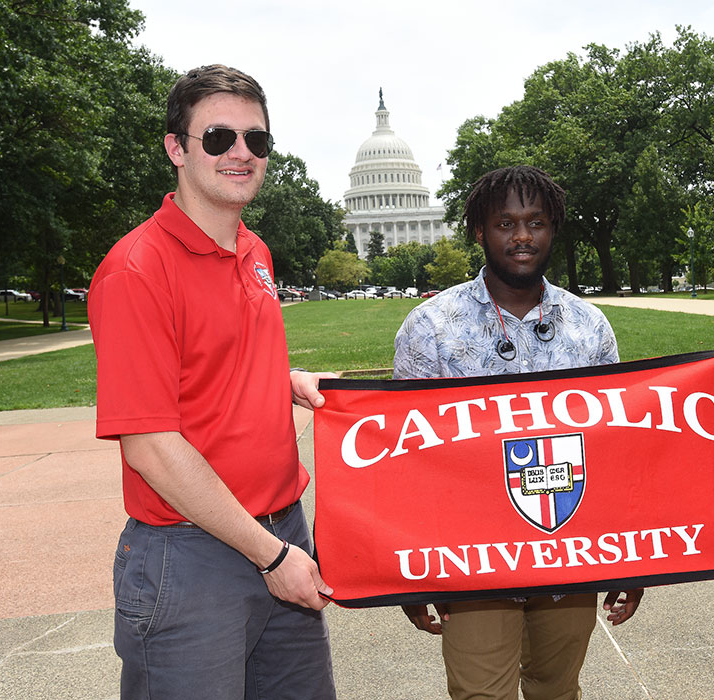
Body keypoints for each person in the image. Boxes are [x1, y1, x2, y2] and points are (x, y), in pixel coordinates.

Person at [87, 64, 336, 700]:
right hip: (190, 554)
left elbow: (208, 360)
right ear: (177, 148)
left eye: (257, 140)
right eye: (220, 138)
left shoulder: (254, 250)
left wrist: (286, 380)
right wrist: (272, 558)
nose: (241, 154)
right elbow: (149, 445)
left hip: (283, 527)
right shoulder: (136, 270)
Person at [393, 165, 644, 700]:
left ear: (553, 229)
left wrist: (634, 559)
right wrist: (405, 569)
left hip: (570, 550)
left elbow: (614, 449)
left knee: (557, 689)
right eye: (506, 223)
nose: (523, 236)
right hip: (471, 560)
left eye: (536, 222)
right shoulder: (430, 326)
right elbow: (404, 459)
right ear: (480, 232)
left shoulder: (589, 325)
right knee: (482, 693)